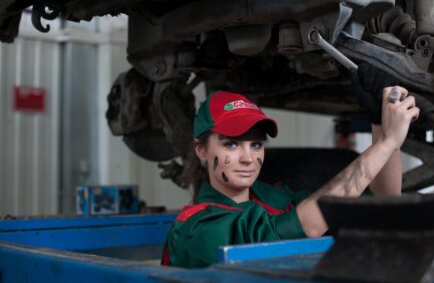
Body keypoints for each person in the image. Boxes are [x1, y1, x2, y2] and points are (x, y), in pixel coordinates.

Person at [161, 69, 420, 268]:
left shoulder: (270, 196)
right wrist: (387, 142)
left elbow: (383, 201)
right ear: (202, 150)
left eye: (256, 144)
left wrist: (379, 121)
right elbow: (302, 226)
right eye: (231, 144)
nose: (248, 158)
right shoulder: (197, 228)